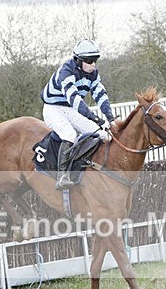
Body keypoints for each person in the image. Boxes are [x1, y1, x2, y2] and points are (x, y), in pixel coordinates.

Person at [41, 39, 119, 189]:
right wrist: (97, 119)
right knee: (69, 134)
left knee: (101, 134)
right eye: (89, 61)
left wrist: (110, 118)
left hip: (68, 109)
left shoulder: (94, 74)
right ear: (77, 60)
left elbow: (101, 95)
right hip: (53, 108)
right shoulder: (66, 71)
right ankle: (62, 176)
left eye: (95, 60)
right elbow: (75, 100)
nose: (93, 65)